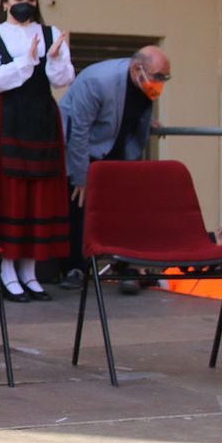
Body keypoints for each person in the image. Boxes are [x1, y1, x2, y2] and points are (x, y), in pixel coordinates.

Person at [0, 0, 75, 302]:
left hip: (41, 116)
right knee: (9, 192)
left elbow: (63, 79)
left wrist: (55, 58)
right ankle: (7, 271)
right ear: (5, 2)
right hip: (6, 117)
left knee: (37, 193)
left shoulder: (51, 33)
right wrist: (26, 62)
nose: (25, 3)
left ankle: (30, 273)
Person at [60, 46, 170, 292]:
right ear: (136, 68)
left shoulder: (143, 83)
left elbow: (129, 112)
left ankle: (125, 266)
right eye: (158, 76)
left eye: (164, 78)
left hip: (116, 149)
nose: (160, 83)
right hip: (83, 148)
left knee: (124, 208)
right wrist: (80, 177)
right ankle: (74, 268)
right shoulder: (98, 81)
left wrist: (147, 123)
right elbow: (78, 131)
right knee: (80, 205)